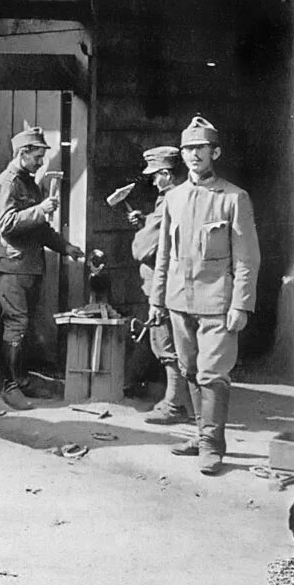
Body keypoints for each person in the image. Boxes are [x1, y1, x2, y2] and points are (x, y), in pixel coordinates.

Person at [150, 117, 259, 475]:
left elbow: (247, 257)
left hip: (217, 303)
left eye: (201, 148)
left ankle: (213, 447)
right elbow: (164, 252)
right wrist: (156, 298)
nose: (194, 155)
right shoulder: (174, 198)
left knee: (212, 374)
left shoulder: (233, 198)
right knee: (190, 370)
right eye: (187, 149)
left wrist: (241, 304)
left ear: (216, 152)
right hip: (179, 301)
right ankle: (200, 436)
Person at [0, 123, 85, 410]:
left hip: (29, 268)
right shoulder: (7, 183)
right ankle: (10, 386)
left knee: (25, 328)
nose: (42, 161)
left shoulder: (28, 182)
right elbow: (6, 225)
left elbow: (40, 230)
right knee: (16, 327)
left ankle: (20, 378)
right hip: (11, 269)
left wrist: (65, 247)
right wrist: (39, 210)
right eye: (38, 156)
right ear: (22, 153)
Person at [127, 145, 191, 425]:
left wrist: (142, 233)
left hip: (163, 287)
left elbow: (142, 249)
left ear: (166, 174)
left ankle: (175, 405)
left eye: (155, 176)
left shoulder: (169, 200)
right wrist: (144, 221)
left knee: (165, 344)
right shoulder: (181, 196)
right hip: (175, 284)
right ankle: (175, 400)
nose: (153, 181)